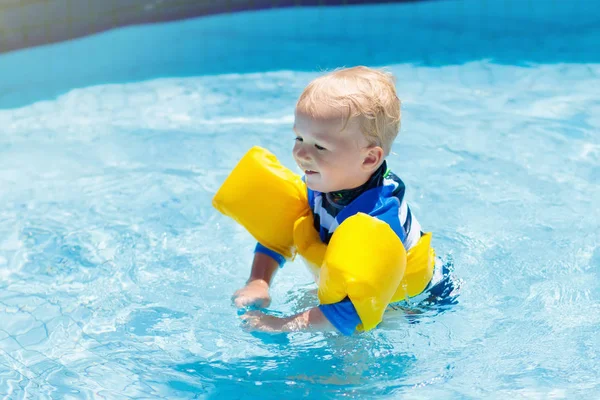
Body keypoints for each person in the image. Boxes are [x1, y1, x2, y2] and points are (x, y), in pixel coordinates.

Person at [221, 66, 433, 335]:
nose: (301, 153)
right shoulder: (326, 181)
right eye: (299, 137)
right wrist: (258, 281)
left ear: (369, 159)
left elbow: (353, 312)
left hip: (410, 305)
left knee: (350, 351)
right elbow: (281, 227)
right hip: (354, 277)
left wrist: (281, 325)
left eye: (319, 146)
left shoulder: (378, 220)